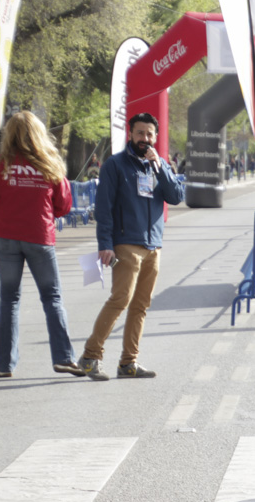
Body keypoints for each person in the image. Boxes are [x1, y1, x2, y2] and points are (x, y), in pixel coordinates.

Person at [0, 111, 85, 378]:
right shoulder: (50, 164)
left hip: (6, 237)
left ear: (8, 134)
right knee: (52, 298)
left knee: (9, 299)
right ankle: (63, 357)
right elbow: (64, 205)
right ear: (39, 134)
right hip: (39, 237)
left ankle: (4, 365)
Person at [78, 112, 185, 380]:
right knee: (120, 299)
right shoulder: (115, 165)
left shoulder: (159, 166)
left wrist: (161, 169)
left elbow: (176, 197)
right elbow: (104, 208)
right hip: (126, 244)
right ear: (131, 134)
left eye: (149, 134)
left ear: (155, 137)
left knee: (140, 305)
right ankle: (90, 356)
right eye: (140, 133)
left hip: (153, 246)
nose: (145, 139)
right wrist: (105, 244)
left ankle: (128, 362)